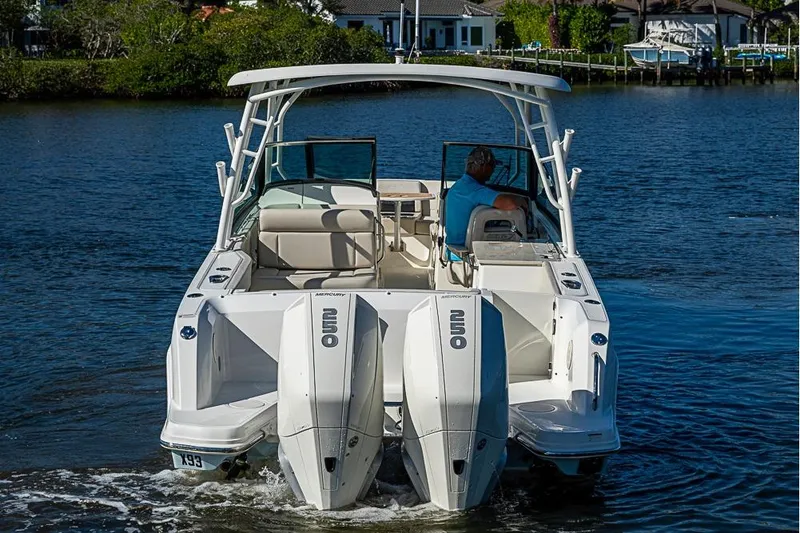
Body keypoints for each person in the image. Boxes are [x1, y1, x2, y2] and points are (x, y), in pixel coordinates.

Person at [443, 146, 527, 257]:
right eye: (492, 166)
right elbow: (509, 204)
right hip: (465, 255)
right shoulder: (476, 190)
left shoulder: (458, 186)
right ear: (483, 167)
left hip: (451, 251)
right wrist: (521, 200)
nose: (493, 170)